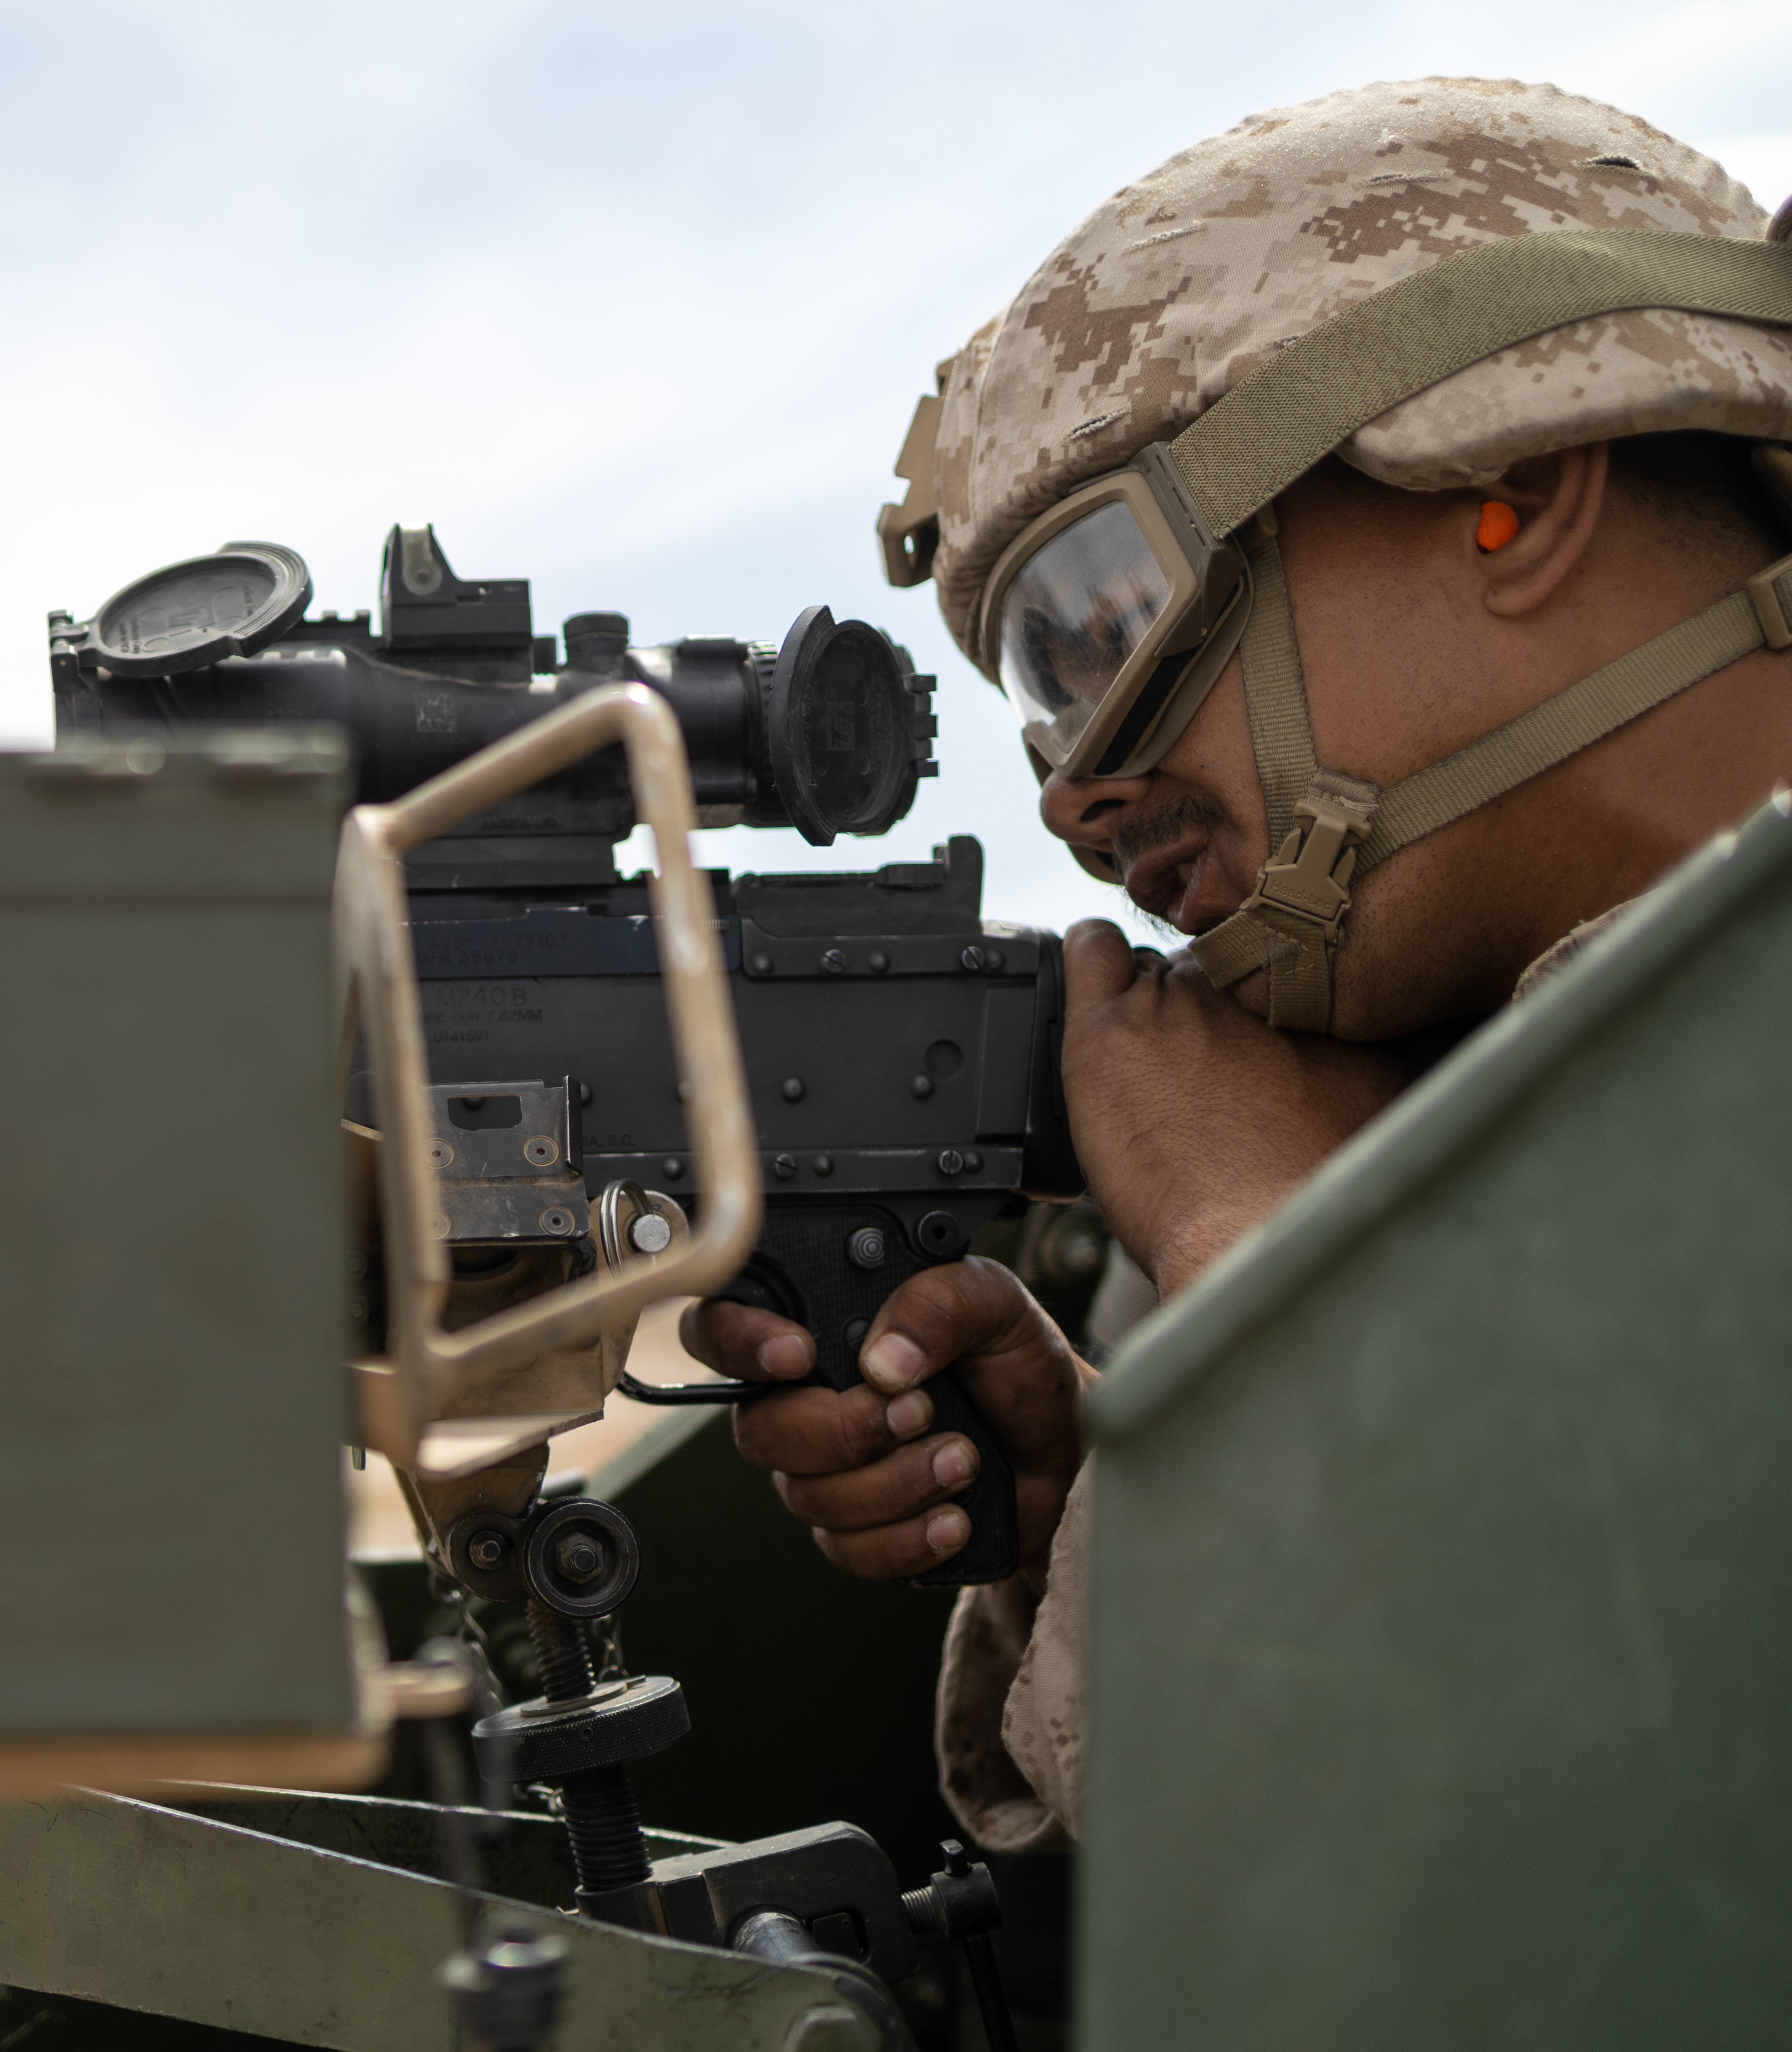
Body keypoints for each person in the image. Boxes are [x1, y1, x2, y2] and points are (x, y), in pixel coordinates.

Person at [686, 78, 1792, 1852]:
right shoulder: (1430, 1094)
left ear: (1510, 483)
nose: (1073, 797)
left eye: (1107, 628)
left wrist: (1267, 1277)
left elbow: (1570, 1872)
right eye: (1043, 697)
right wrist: (1119, 1490)